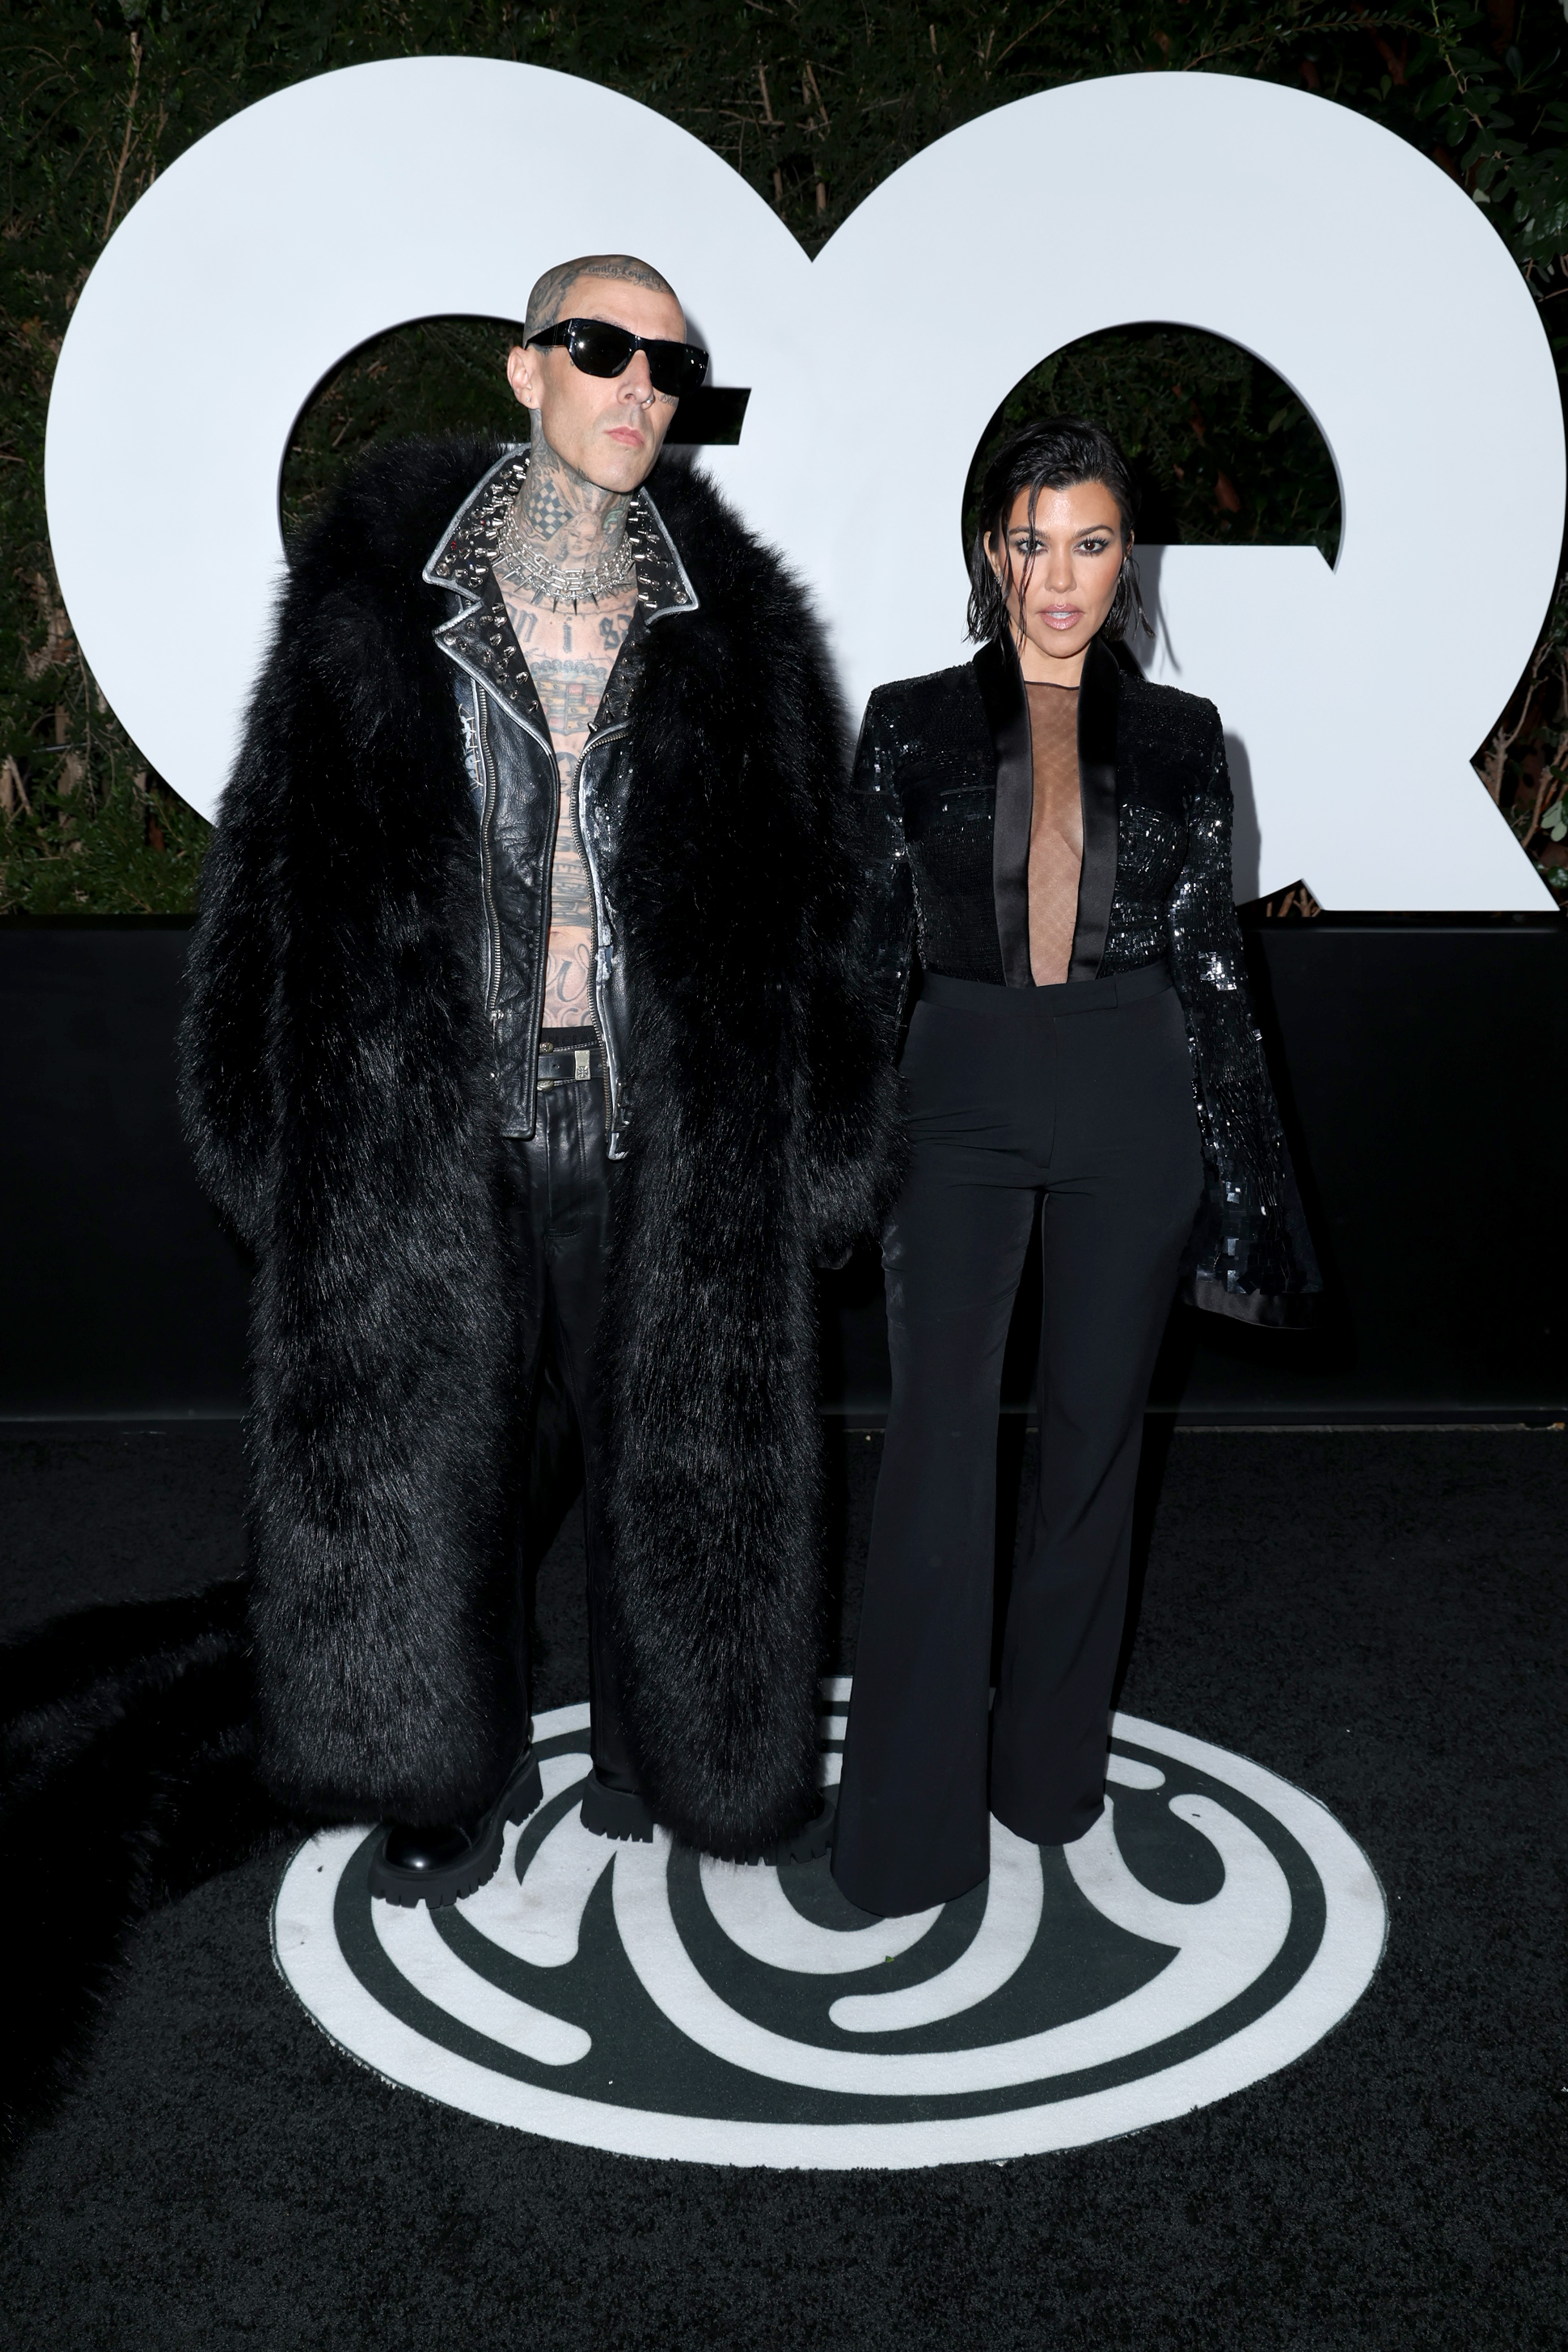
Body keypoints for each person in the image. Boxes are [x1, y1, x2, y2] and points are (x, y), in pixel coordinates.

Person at [180, 252, 894, 1907]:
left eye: (669, 365)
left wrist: (827, 1144)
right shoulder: (376, 600)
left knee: (677, 1458)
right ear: (525, 368)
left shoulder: (739, 629)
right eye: (601, 347)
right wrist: (259, 1132)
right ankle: (442, 1761)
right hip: (435, 1120)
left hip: (659, 1124)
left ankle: (673, 1760)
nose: (639, 385)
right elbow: (267, 869)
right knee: (450, 1468)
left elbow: (825, 904)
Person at [832, 417, 1320, 1918]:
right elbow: (862, 961)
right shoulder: (907, 722)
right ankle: (905, 1829)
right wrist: (820, 1160)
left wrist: (1245, 1193)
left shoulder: (1185, 734)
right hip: (957, 1088)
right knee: (936, 1450)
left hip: (1131, 1091)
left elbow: (1213, 970)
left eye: (1090, 543)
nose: (1059, 577)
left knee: (1096, 1449)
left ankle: (1046, 1776)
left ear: (1125, 561)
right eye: (1032, 542)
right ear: (994, 552)